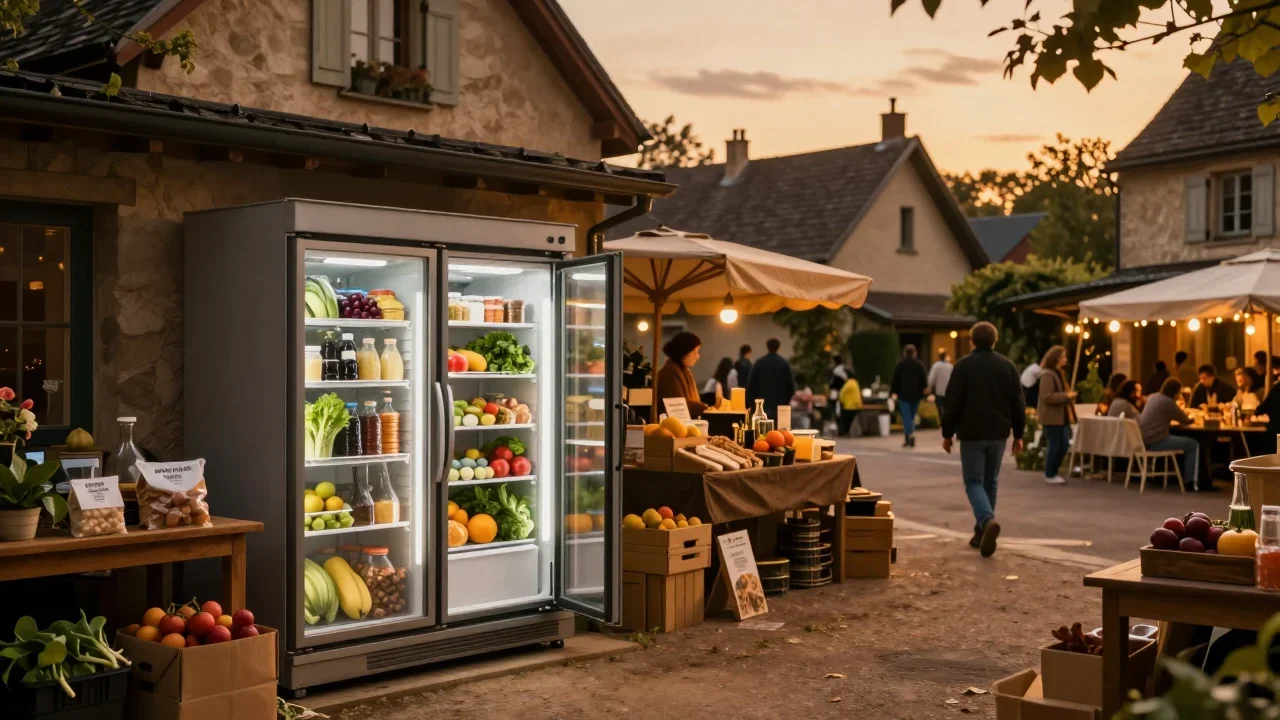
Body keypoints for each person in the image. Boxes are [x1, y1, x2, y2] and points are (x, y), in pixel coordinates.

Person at [940, 321, 1025, 558]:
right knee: (991, 482)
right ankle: (981, 531)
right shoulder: (1007, 366)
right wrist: (1019, 434)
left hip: (971, 432)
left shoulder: (963, 366)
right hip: (999, 433)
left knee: (973, 482)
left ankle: (986, 521)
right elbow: (1018, 403)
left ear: (972, 341)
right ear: (995, 341)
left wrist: (947, 432)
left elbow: (952, 402)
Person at [1140, 378, 1200, 491]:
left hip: (1144, 440)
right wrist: (1196, 417)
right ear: (1175, 392)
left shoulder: (1153, 397)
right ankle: (1190, 481)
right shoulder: (1168, 402)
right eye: (1179, 392)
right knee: (1193, 444)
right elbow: (1185, 420)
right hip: (1157, 441)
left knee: (1180, 440)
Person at [1037, 345, 1077, 486]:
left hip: (1062, 416)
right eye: (1063, 356)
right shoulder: (1048, 375)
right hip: (1052, 417)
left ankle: (1053, 472)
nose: (1065, 359)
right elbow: (1047, 397)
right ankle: (1050, 473)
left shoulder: (1059, 373)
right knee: (1056, 445)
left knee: (1064, 444)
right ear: (1056, 358)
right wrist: (1066, 396)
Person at [654, 331, 708, 417]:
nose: (697, 356)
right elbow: (676, 404)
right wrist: (705, 408)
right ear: (684, 352)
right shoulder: (669, 372)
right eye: (695, 352)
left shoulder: (682, 370)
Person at [744, 338, 795, 421]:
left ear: (767, 347)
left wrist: (752, 404)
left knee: (762, 432)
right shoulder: (784, 364)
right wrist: (785, 402)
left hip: (762, 406)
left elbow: (752, 385)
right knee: (779, 432)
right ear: (778, 347)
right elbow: (790, 387)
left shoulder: (759, 363)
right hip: (780, 407)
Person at [891, 345, 929, 448]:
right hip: (916, 395)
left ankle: (909, 437)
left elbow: (895, 380)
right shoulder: (919, 365)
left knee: (906, 416)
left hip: (903, 395)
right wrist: (925, 393)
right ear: (914, 352)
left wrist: (893, 392)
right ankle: (909, 438)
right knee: (911, 417)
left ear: (904, 353)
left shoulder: (900, 365)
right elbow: (924, 381)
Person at [927, 349, 954, 416]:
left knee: (939, 408)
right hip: (948, 391)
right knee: (947, 409)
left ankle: (941, 422)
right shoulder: (950, 366)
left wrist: (929, 387)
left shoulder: (936, 366)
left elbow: (931, 378)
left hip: (939, 391)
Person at [838, 373, 863, 437]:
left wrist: (841, 401)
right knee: (851, 420)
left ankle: (845, 433)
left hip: (849, 406)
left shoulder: (849, 383)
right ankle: (850, 433)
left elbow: (842, 392)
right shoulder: (855, 383)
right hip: (856, 405)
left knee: (846, 421)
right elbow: (858, 395)